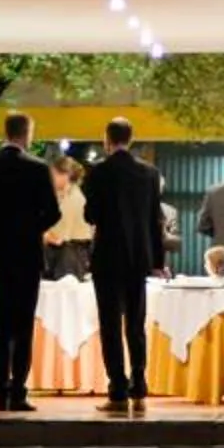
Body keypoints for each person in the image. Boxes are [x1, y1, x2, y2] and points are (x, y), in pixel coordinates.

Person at [0, 113, 57, 414]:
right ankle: (18, 390)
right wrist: (30, 228)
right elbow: (53, 212)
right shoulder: (38, 168)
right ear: (27, 133)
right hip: (27, 253)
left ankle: (1, 387)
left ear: (6, 132)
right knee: (23, 323)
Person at [81, 116, 166, 414]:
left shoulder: (98, 172)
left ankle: (117, 389)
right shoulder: (149, 173)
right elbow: (156, 220)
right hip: (138, 257)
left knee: (110, 325)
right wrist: (158, 260)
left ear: (107, 139)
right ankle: (139, 385)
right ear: (130, 139)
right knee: (135, 323)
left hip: (107, 256)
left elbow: (91, 215)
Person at [46, 152, 95, 280]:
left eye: (54, 175)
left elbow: (60, 235)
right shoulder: (60, 195)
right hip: (61, 252)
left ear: (65, 176)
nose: (51, 178)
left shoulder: (75, 198)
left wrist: (44, 235)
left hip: (70, 256)